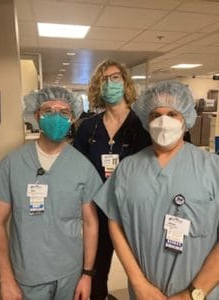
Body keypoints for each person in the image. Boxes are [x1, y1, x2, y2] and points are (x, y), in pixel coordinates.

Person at [93, 80, 219, 300]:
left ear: (186, 119)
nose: (163, 121)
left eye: (172, 114)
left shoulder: (212, 168)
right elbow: (115, 223)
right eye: (155, 115)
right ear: (145, 120)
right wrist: (138, 282)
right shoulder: (127, 168)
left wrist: (193, 293)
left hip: (202, 293)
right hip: (144, 293)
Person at [0, 86, 102, 300]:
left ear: (72, 118)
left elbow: (91, 224)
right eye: (49, 110)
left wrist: (87, 275)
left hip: (69, 275)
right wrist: (6, 279)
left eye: (64, 112)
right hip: (26, 275)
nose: (56, 116)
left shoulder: (82, 167)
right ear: (36, 116)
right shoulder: (12, 164)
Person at [73, 59, 152, 300]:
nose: (110, 84)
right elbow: (77, 171)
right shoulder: (88, 128)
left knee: (143, 274)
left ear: (126, 82)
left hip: (133, 212)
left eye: (115, 77)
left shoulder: (143, 125)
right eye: (104, 79)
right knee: (95, 275)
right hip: (97, 212)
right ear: (98, 87)